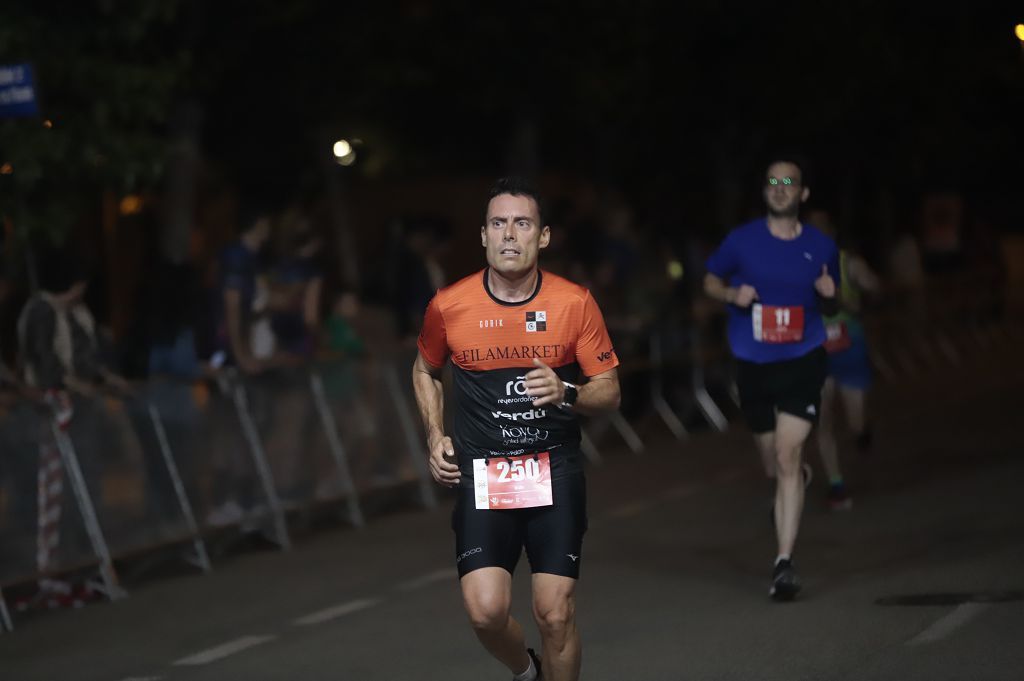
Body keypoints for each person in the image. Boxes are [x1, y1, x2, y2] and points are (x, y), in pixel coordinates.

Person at [412, 177, 620, 681]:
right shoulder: (450, 305)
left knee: (555, 613)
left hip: (555, 468)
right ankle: (528, 672)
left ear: (542, 237)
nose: (509, 234)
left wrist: (566, 391)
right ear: (483, 236)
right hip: (486, 474)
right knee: (485, 611)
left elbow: (608, 390)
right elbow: (424, 369)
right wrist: (435, 433)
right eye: (498, 223)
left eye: (522, 223)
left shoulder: (574, 303)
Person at [703, 159, 839, 600]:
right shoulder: (741, 241)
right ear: (766, 192)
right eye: (773, 182)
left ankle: (784, 562)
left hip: (803, 359)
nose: (781, 188)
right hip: (754, 364)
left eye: (790, 182)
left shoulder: (821, 246)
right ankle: (796, 476)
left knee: (785, 452)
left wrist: (830, 297)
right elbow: (709, 280)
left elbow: (834, 304)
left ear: (803, 194)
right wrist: (729, 294)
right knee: (773, 464)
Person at [806, 209, 881, 510]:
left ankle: (862, 431)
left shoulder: (849, 264)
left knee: (854, 421)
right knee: (821, 423)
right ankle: (837, 486)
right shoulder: (799, 267)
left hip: (849, 350)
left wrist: (855, 298)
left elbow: (876, 287)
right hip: (818, 355)